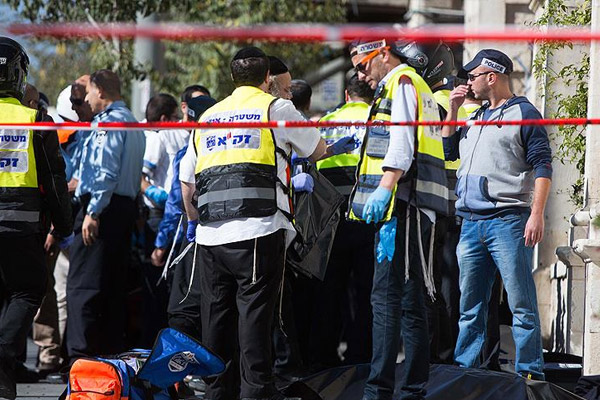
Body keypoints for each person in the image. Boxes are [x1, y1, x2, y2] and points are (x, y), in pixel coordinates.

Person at [179, 46, 358, 400]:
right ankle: (256, 393)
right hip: (258, 231)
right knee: (255, 320)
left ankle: (218, 393)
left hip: (211, 236)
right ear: (267, 78)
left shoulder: (209, 116)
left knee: (216, 321)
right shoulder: (275, 108)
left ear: (233, 78)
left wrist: (194, 220)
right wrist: (334, 148)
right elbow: (317, 150)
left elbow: (187, 183)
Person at [348, 38, 449, 400]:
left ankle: (379, 390)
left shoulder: (402, 83)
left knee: (387, 300)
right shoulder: (409, 84)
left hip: (401, 206)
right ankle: (411, 390)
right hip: (410, 205)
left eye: (363, 66)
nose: (361, 76)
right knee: (410, 301)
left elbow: (402, 143)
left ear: (383, 53)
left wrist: (385, 188)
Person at [442, 49, 552, 380]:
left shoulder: (524, 113)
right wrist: (453, 110)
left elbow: (543, 165)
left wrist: (537, 214)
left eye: (472, 76)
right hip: (470, 223)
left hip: (508, 222)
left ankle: (530, 375)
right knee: (469, 307)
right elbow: (448, 151)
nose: (467, 83)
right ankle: (466, 373)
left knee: (521, 304)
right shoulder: (474, 117)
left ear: (492, 77)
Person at [0, 37, 72, 399]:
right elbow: (54, 177)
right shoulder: (34, 119)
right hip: (20, 228)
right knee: (29, 290)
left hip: (21, 226)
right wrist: (64, 223)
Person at [66, 69, 145, 361]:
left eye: (88, 92)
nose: (86, 99)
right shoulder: (132, 122)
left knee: (83, 286)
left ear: (100, 91)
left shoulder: (108, 123)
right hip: (123, 208)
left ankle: (79, 359)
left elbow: (105, 171)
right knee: (112, 287)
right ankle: (109, 360)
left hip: (102, 209)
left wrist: (93, 211)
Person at [306, 73, 375, 369]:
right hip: (367, 212)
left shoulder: (326, 121)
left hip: (329, 215)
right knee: (366, 289)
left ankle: (323, 355)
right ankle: (360, 354)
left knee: (329, 287)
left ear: (347, 95)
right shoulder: (377, 119)